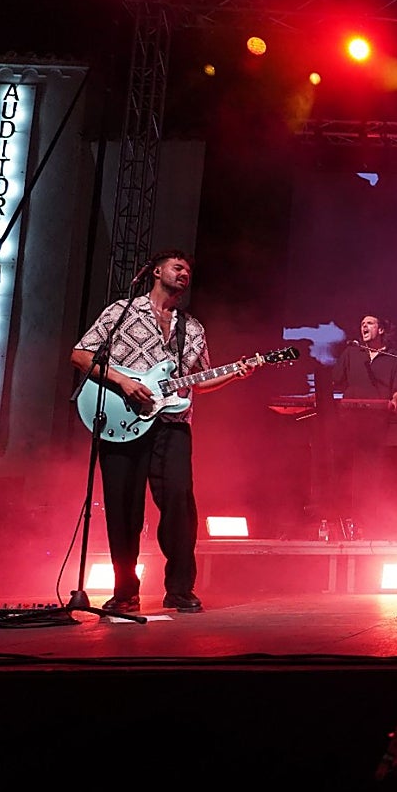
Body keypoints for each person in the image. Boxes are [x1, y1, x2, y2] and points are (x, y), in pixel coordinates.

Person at [71, 249, 255, 614]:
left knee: (179, 504)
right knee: (122, 506)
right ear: (156, 271)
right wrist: (123, 382)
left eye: (189, 269)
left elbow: (198, 382)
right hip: (120, 420)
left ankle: (180, 589)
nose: (185, 273)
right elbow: (81, 355)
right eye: (178, 266)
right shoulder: (121, 312)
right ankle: (125, 591)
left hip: (172, 424)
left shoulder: (194, 328)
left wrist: (236, 372)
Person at [327, 314, 397, 537]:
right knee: (347, 469)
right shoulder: (352, 353)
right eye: (362, 324)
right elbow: (335, 379)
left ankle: (369, 521)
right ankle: (343, 521)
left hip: (376, 421)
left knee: (372, 471)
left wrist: (395, 402)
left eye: (370, 323)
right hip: (349, 419)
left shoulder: (394, 358)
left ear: (381, 330)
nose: (364, 326)